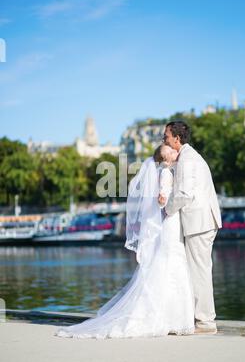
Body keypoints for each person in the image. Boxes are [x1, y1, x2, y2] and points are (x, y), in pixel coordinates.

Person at [54, 144, 195, 339]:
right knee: (171, 263)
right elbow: (162, 200)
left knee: (170, 263)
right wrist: (164, 200)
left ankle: (171, 318)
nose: (174, 152)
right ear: (165, 160)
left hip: (171, 222)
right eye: (170, 152)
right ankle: (173, 318)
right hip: (171, 222)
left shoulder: (169, 170)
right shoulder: (165, 174)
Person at [159, 121, 222, 334]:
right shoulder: (189, 157)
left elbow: (184, 194)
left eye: (166, 136)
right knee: (199, 271)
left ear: (177, 139)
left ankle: (205, 322)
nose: (164, 140)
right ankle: (201, 319)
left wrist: (167, 210)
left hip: (199, 223)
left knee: (199, 273)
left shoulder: (187, 159)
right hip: (202, 221)